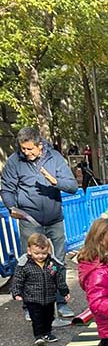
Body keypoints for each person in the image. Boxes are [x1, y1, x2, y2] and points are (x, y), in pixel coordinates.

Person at [1, 126, 78, 318]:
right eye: (23, 149)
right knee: (31, 264)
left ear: (40, 145)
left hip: (54, 219)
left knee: (58, 262)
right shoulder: (14, 161)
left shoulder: (55, 158)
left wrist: (55, 182)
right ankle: (31, 307)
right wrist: (12, 207)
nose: (26, 153)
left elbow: (73, 186)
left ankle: (61, 304)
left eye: (30, 149)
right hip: (29, 219)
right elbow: (7, 189)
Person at [11, 233, 70, 346]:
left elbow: (58, 278)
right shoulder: (25, 265)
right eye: (36, 253)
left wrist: (64, 291)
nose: (40, 256)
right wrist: (17, 292)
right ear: (29, 251)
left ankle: (47, 333)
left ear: (48, 250)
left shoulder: (51, 264)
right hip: (32, 298)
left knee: (49, 316)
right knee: (36, 318)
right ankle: (38, 336)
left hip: (49, 297)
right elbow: (18, 279)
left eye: (43, 253)